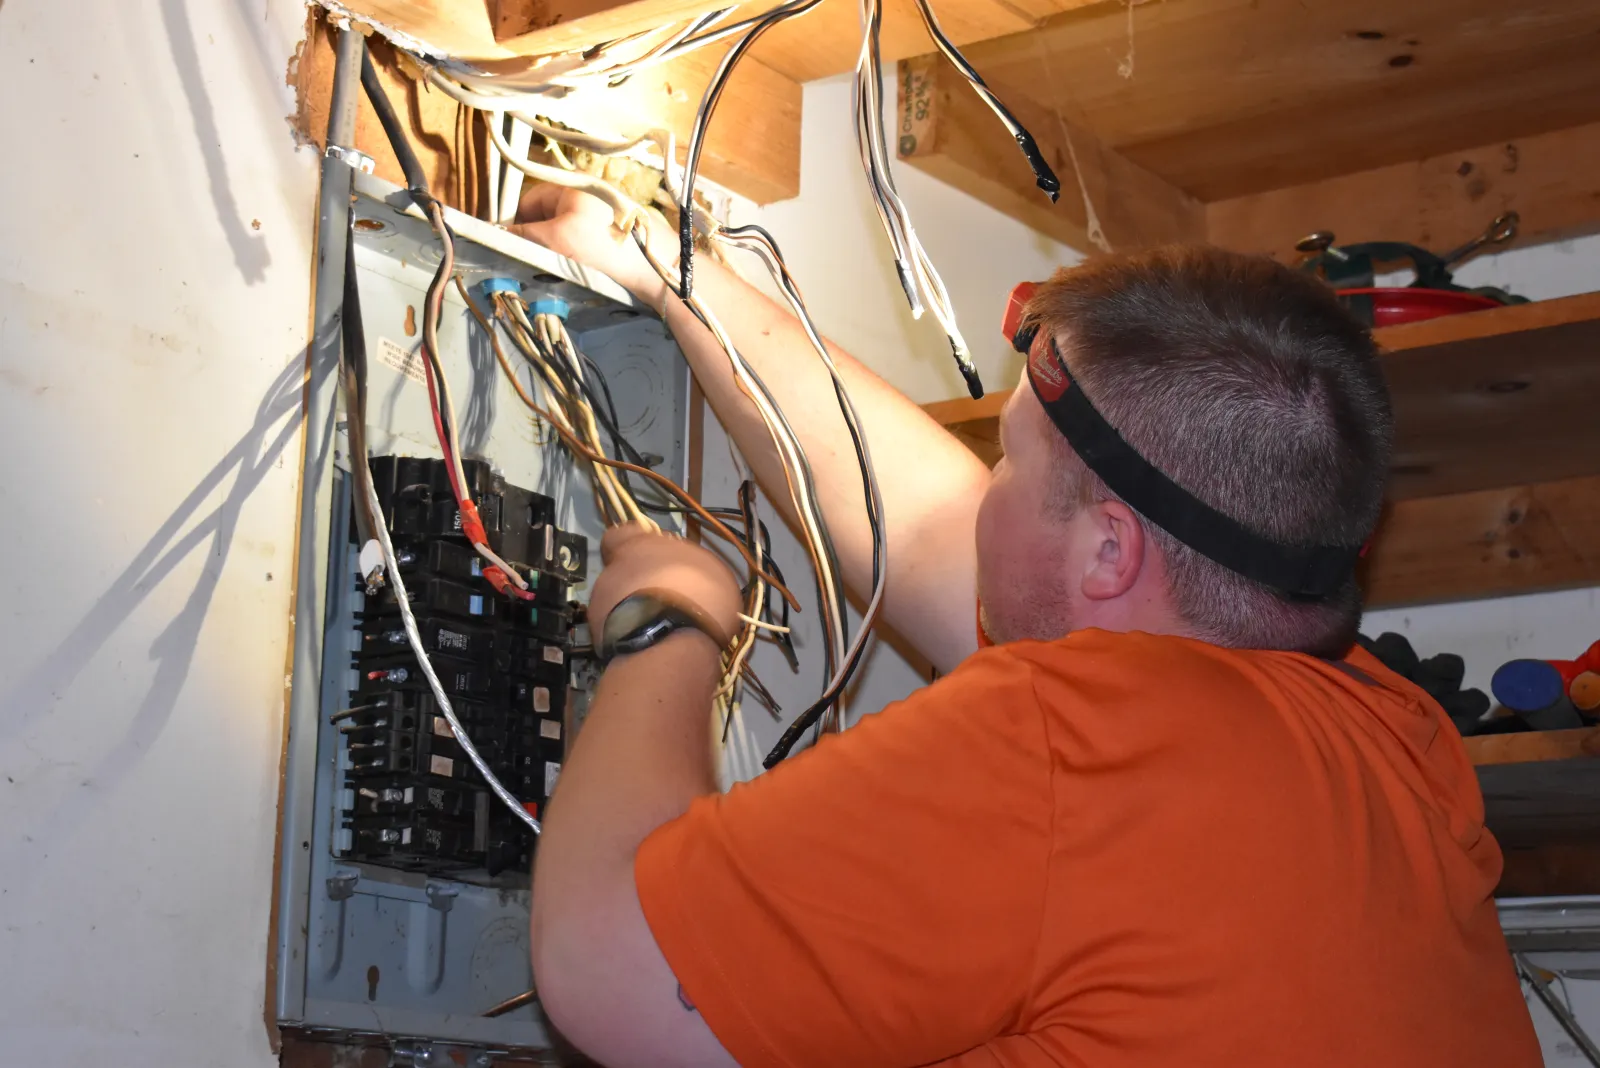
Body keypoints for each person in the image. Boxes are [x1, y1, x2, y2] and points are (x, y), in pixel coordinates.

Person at [514, 184, 1542, 1067]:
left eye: (1008, 458)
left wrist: (669, 624)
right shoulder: (1393, 742)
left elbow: (603, 963)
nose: (984, 488)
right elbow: (918, 523)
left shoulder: (1073, 734)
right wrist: (679, 274)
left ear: (1108, 553)